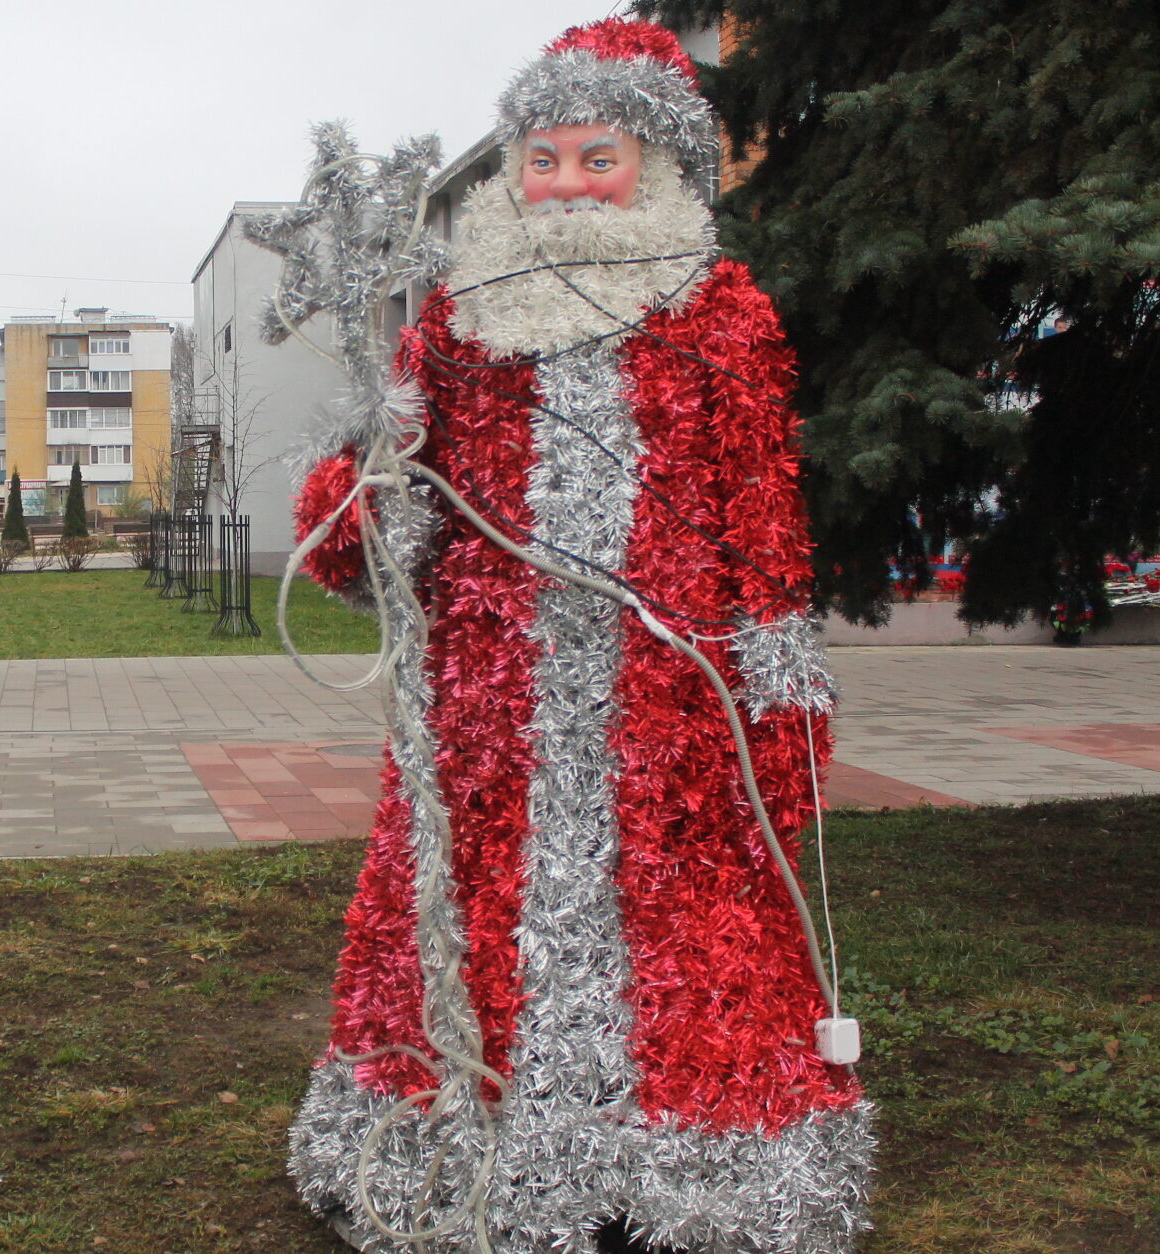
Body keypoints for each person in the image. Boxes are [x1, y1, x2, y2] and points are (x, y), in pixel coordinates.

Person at [283, 21, 869, 1253]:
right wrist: (371, 480)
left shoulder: (722, 317)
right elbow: (370, 545)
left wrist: (780, 694)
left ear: (656, 163)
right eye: (541, 159)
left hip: (673, 717)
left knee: (687, 937)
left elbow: (763, 526)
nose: (561, 186)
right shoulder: (456, 324)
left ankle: (686, 1178)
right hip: (487, 716)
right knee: (476, 920)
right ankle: (460, 1155)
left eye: (595, 158)